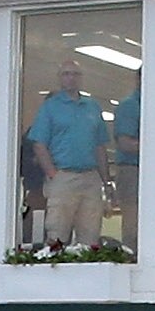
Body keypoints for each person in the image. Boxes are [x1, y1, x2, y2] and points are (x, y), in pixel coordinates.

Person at [25, 60, 112, 246]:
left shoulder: (92, 107)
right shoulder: (50, 107)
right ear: (60, 79)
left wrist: (106, 180)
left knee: (91, 232)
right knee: (57, 232)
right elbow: (39, 144)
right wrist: (52, 174)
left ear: (81, 78)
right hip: (63, 175)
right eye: (66, 74)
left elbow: (100, 146)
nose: (71, 78)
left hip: (90, 177)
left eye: (75, 74)